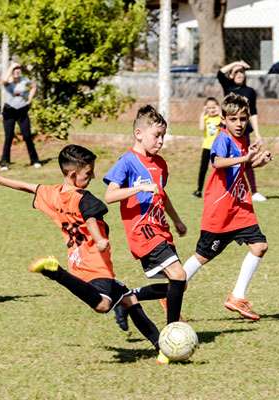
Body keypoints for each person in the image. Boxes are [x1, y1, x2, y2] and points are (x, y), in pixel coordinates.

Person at [0, 145, 171, 364]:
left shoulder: (54, 194)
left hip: (77, 264)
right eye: (88, 173)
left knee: (130, 300)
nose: (93, 177)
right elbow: (89, 217)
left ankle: (161, 348)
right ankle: (54, 272)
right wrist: (98, 239)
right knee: (103, 305)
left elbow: (29, 187)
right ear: (73, 174)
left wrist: (0, 180)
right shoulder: (84, 198)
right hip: (95, 266)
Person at [181, 93, 273, 321]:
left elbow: (240, 167)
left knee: (260, 246)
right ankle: (170, 289)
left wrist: (257, 161)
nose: (239, 124)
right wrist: (245, 159)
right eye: (233, 119)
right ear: (224, 119)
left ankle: (237, 296)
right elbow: (218, 162)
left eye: (243, 119)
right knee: (203, 256)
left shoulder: (242, 139)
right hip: (220, 211)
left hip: (240, 208)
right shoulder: (222, 138)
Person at [103, 105, 187, 332]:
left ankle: (126, 298)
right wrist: (137, 188)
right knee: (179, 275)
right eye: (156, 136)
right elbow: (110, 196)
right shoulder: (127, 162)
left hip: (161, 228)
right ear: (139, 134)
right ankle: (172, 332)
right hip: (142, 230)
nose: (160, 141)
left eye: (163, 136)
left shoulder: (160, 164)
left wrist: (177, 220)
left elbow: (161, 194)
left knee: (180, 283)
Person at [218, 60, 267, 202]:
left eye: (242, 72)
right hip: (228, 131)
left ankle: (254, 191)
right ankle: (227, 188)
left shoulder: (250, 91)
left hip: (243, 132)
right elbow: (220, 73)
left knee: (247, 157)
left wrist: (257, 133)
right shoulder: (227, 87)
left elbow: (254, 113)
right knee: (228, 159)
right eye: (236, 72)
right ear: (231, 75)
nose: (240, 74)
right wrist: (236, 63)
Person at [0, 62, 41, 171]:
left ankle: (35, 160)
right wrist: (11, 67)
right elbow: (3, 81)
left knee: (27, 136)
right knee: (9, 137)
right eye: (14, 69)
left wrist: (29, 99)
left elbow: (33, 87)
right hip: (9, 110)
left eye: (18, 69)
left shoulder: (24, 80)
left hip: (22, 109)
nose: (16, 71)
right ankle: (4, 162)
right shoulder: (8, 81)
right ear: (11, 71)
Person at [192, 97, 222, 198]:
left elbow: (224, 124)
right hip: (207, 147)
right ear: (205, 108)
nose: (211, 110)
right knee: (203, 169)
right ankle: (199, 190)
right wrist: (202, 114)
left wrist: (220, 111)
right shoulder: (205, 118)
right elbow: (201, 128)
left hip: (218, 148)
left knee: (218, 169)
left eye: (214, 107)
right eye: (209, 108)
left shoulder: (219, 118)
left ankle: (219, 190)